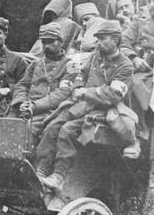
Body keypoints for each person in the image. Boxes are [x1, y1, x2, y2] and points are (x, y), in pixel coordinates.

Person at [34, 19, 138, 190]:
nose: (98, 42)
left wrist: (86, 93)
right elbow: (81, 75)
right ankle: (41, 171)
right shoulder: (96, 56)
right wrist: (77, 88)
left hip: (102, 111)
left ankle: (58, 176)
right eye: (97, 38)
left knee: (66, 131)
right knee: (51, 126)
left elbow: (113, 95)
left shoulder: (125, 65)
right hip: (81, 106)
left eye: (102, 38)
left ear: (116, 40)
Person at [11, 24, 82, 138]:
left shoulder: (70, 65)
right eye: (44, 42)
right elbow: (22, 85)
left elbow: (62, 93)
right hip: (26, 107)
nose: (47, 46)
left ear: (61, 42)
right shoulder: (35, 64)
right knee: (4, 126)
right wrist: (21, 102)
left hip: (49, 110)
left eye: (51, 41)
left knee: (25, 132)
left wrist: (35, 106)